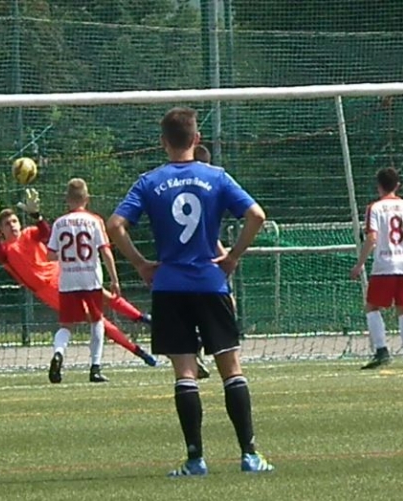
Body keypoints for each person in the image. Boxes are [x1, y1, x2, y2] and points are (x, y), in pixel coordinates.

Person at [107, 107, 274, 476]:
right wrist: (233, 256)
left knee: (185, 373)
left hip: (169, 287)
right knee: (231, 369)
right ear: (196, 139)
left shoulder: (149, 182)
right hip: (211, 284)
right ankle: (249, 455)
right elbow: (257, 215)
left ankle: (196, 459)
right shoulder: (216, 176)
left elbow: (115, 225)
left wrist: (140, 264)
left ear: (163, 142)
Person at [0, 188, 157, 367]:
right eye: (7, 224)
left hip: (64, 273)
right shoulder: (6, 251)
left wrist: (36, 215)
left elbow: (46, 234)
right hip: (49, 289)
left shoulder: (29, 234)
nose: (12, 225)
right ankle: (137, 350)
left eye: (14, 221)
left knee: (105, 296)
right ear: (1, 230)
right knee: (95, 318)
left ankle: (142, 318)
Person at [350, 167, 403, 370]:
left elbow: (372, 237)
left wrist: (360, 264)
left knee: (372, 307)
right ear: (398, 185)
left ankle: (382, 351)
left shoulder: (375, 208)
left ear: (378, 186)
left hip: (384, 265)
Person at [44, 178, 120, 383]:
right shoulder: (94, 221)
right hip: (90, 279)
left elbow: (50, 255)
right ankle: (95, 367)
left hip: (68, 280)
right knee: (97, 321)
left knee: (66, 325)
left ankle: (59, 353)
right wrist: (114, 279)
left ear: (67, 200)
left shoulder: (59, 223)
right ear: (87, 198)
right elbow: (105, 251)